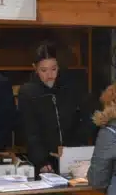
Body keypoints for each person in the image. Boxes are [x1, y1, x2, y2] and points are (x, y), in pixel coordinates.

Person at [18, 42, 95, 174]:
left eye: (54, 69)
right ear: (35, 68)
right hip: (44, 159)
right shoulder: (27, 92)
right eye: (44, 70)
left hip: (73, 155)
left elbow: (87, 118)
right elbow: (30, 131)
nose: (49, 74)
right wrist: (41, 160)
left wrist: (73, 148)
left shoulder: (71, 87)